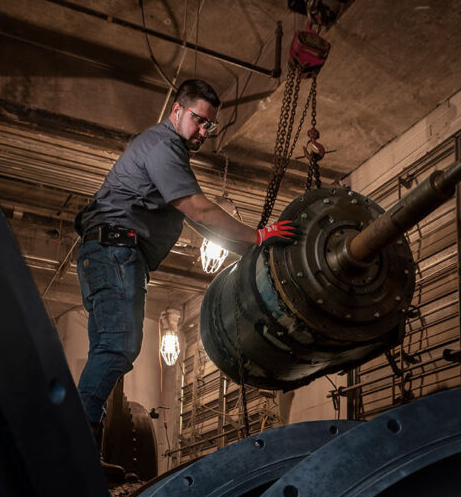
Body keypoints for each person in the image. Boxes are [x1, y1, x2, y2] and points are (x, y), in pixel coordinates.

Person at [74, 78, 296, 455]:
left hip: (106, 253)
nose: (204, 132)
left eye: (211, 125)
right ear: (176, 111)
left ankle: (80, 449)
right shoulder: (164, 146)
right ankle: (74, 444)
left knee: (108, 350)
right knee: (118, 348)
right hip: (115, 252)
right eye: (199, 120)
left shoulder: (165, 151)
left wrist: (247, 250)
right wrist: (258, 237)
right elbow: (199, 209)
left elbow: (194, 219)